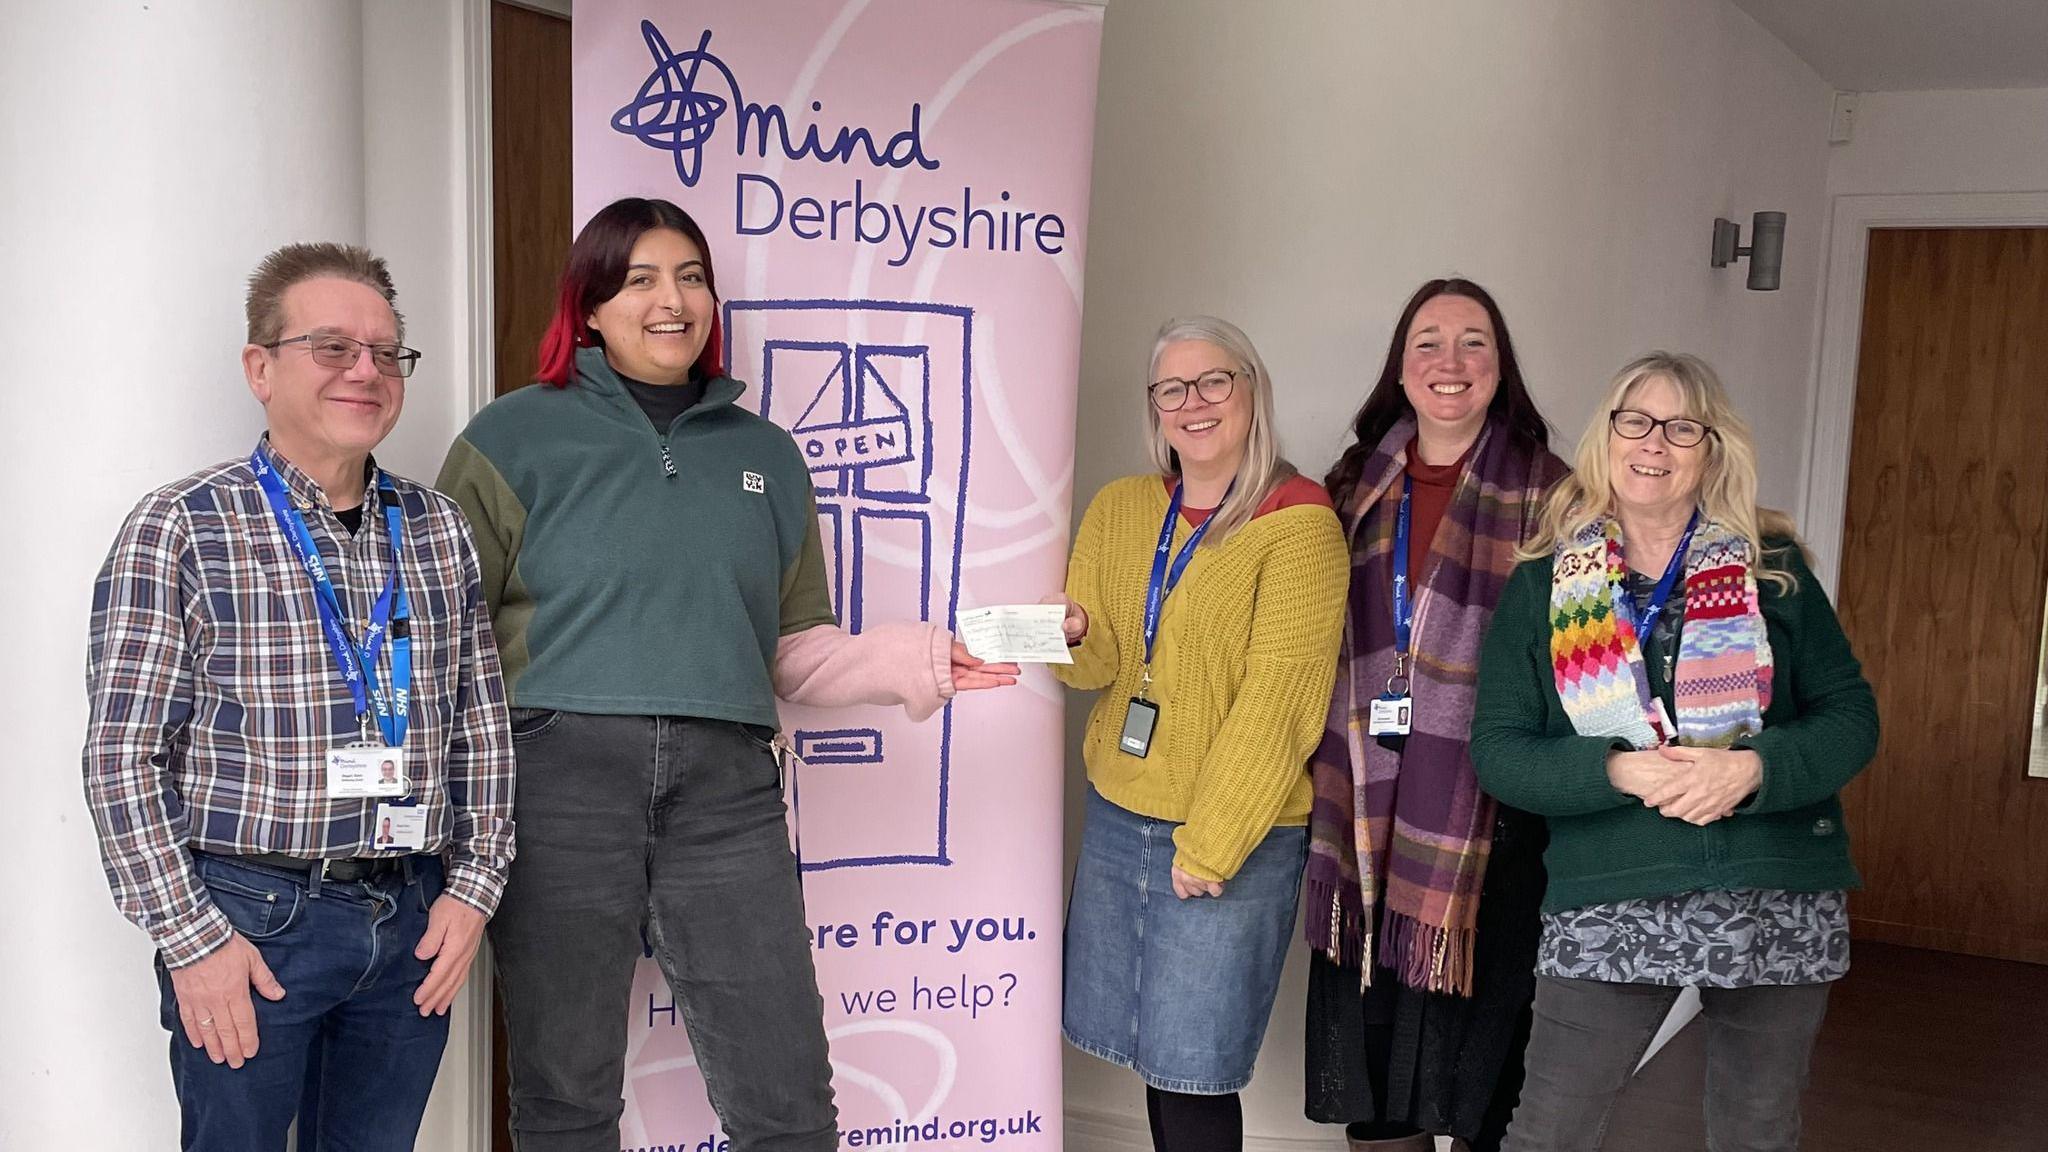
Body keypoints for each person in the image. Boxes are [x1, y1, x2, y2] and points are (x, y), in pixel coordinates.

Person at [436, 196, 1016, 1152]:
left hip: (727, 789)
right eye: (642, 280)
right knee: (565, 1095)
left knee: (788, 1107)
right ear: (588, 308)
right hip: (557, 783)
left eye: (692, 277)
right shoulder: (509, 440)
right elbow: (451, 642)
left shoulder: (768, 457)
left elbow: (793, 646)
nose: (674, 300)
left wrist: (913, 658)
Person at [82, 242, 516, 1152]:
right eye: (333, 348)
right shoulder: (181, 527)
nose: (367, 370)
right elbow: (123, 760)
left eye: (386, 352)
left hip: (411, 920)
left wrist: (472, 891)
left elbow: (480, 728)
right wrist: (191, 940)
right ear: (260, 367)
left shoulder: (436, 527)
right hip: (252, 920)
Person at [1471, 352, 1879, 1152]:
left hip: (1774, 891)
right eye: (1635, 420)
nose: (1653, 442)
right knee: (1547, 1132)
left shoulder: (1774, 569)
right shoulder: (1545, 582)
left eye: (1680, 426)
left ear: (1711, 448)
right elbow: (1498, 749)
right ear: (1607, 436)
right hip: (1610, 889)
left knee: (1757, 1133)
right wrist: (1616, 769)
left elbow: (1851, 717)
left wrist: (1755, 768)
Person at [1052, 316, 1348, 1152]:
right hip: (1120, 812)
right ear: (1156, 408)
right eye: (1173, 388)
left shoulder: (1298, 525)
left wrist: (1210, 843)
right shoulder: (1122, 508)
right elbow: (1097, 667)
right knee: (1157, 1057)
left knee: (1197, 1068)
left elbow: (1279, 707)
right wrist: (1074, 632)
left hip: (1232, 834)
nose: (1195, 403)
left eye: (1215, 381)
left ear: (1251, 391)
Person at [1304, 280, 1567, 1152]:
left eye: (1472, 343)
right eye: (1428, 342)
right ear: (1401, 366)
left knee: (1487, 1069)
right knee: (1379, 1075)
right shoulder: (1350, 485)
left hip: (1491, 820)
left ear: (1501, 366)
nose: (1449, 363)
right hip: (1364, 816)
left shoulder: (1556, 495)